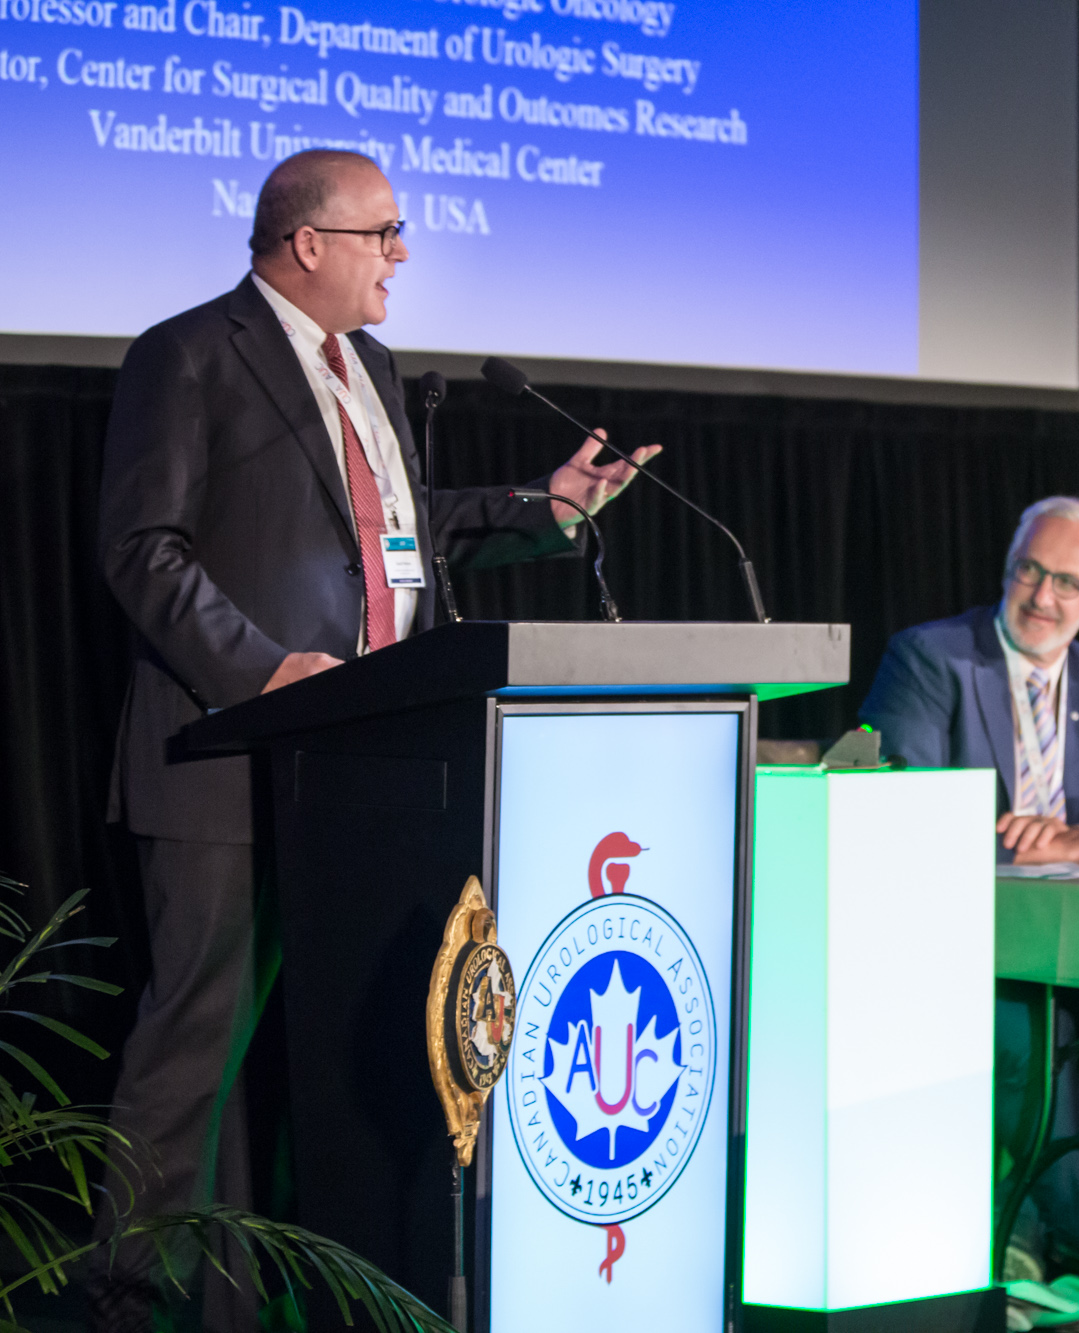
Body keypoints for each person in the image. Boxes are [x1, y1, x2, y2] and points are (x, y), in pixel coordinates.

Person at [92, 150, 658, 1331]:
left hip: (358, 765)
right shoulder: (187, 354)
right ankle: (132, 1307)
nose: (402, 253)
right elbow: (143, 549)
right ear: (307, 243)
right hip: (225, 758)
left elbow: (400, 528)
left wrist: (542, 506)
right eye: (384, 231)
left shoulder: (372, 367)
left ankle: (260, 1305)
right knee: (194, 1052)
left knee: (321, 1058)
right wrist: (264, 671)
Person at [858, 496, 1079, 863]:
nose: (1042, 598)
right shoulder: (928, 658)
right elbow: (900, 813)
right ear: (1008, 570)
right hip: (971, 890)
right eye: (1029, 569)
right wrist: (1050, 850)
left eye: (1067, 582)